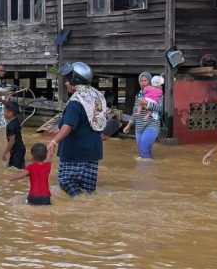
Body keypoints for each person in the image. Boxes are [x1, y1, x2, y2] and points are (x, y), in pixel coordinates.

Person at [47, 61, 109, 197]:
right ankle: (85, 209)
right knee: (88, 189)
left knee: (65, 181)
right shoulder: (97, 96)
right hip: (93, 150)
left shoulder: (76, 101)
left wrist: (54, 141)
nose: (65, 83)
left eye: (67, 80)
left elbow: (69, 125)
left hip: (75, 151)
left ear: (75, 80)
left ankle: (79, 201)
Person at [123, 72, 161, 159]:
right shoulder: (139, 95)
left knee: (143, 148)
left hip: (152, 124)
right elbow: (135, 112)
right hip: (139, 126)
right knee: (143, 151)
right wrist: (128, 125)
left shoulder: (156, 92)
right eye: (141, 81)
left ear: (150, 81)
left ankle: (146, 170)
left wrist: (146, 103)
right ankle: (150, 170)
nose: (143, 82)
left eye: (145, 80)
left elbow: (159, 108)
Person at [2, 101, 26, 169]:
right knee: (13, 167)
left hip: (18, 150)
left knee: (16, 169)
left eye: (4, 111)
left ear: (10, 113)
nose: (3, 113)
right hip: (18, 149)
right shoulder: (16, 121)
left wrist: (5, 152)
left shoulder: (11, 126)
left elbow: (12, 140)